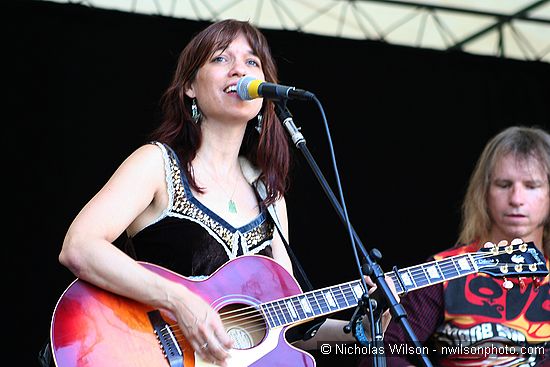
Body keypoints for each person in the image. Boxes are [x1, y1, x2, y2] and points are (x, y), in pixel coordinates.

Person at [57, 19, 396, 367]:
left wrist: (361, 332)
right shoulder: (156, 164)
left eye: (252, 62)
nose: (240, 70)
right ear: (189, 85)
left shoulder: (269, 193)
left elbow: (287, 325)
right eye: (221, 58)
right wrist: (179, 301)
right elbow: (80, 247)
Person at [360, 125, 550, 367]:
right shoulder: (444, 270)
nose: (516, 199)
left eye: (531, 186)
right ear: (484, 192)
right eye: (503, 185)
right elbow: (383, 354)